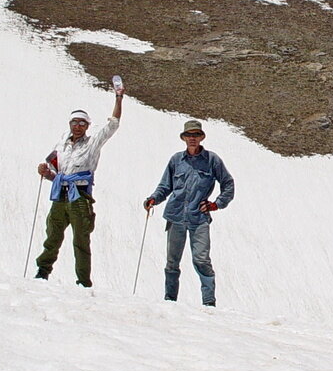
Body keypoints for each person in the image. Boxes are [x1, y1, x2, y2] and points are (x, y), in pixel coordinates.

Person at [34, 88, 124, 287]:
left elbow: (112, 126)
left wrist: (119, 98)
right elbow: (56, 170)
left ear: (87, 126)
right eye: (75, 122)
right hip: (60, 196)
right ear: (70, 124)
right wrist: (46, 172)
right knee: (53, 235)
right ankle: (43, 271)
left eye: (82, 123)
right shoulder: (62, 144)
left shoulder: (92, 144)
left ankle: (83, 281)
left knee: (81, 240)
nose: (78, 126)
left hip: (80, 197)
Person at [144, 120, 235, 306]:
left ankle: (209, 302)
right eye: (189, 135)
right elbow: (165, 186)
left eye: (196, 135)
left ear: (201, 138)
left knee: (201, 259)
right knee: (172, 262)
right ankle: (170, 300)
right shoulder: (176, 160)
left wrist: (216, 204)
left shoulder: (212, 160)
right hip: (175, 216)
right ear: (184, 138)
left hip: (199, 218)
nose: (192, 138)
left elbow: (228, 184)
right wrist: (154, 199)